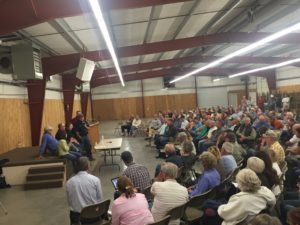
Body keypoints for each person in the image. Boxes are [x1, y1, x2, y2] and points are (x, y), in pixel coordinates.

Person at [66, 157, 103, 224]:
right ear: (88, 166)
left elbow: (70, 202)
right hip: (93, 215)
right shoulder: (95, 180)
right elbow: (99, 200)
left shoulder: (69, 182)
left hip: (76, 217)